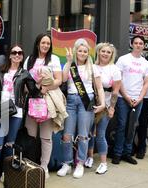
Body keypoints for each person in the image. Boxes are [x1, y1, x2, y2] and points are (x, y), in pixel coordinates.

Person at [58, 39, 105, 179]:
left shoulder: (93, 67)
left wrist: (102, 103)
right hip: (71, 101)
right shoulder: (71, 65)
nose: (82, 53)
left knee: (83, 135)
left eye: (85, 51)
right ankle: (67, 163)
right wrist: (68, 61)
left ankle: (80, 163)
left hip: (87, 100)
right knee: (67, 135)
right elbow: (63, 79)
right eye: (80, 50)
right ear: (76, 51)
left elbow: (100, 87)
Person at [23, 33, 63, 179]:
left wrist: (46, 88)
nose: (45, 45)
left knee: (46, 137)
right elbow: (25, 80)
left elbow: (59, 80)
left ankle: (44, 166)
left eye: (48, 43)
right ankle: (31, 164)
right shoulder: (29, 59)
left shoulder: (54, 59)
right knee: (31, 135)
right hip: (32, 100)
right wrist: (35, 89)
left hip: (48, 100)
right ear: (37, 44)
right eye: (43, 43)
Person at [0, 44, 25, 188]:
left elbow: (34, 91)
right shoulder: (1, 71)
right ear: (9, 55)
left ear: (22, 56)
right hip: (1, 110)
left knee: (9, 144)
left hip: (16, 111)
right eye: (13, 52)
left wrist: (42, 82)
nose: (16, 55)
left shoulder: (25, 73)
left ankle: (6, 173)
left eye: (19, 53)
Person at [112, 36, 148, 165]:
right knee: (122, 126)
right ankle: (117, 153)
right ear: (131, 44)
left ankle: (127, 153)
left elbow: (146, 83)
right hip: (123, 98)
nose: (138, 45)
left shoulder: (145, 63)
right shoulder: (123, 59)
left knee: (132, 127)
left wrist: (140, 98)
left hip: (138, 100)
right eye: (136, 43)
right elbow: (118, 80)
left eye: (141, 43)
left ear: (143, 46)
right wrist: (127, 96)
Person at [85, 43, 121, 175]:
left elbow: (116, 91)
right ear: (98, 52)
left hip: (105, 106)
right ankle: (89, 157)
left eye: (108, 52)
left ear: (112, 55)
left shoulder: (114, 69)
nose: (105, 54)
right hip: (90, 105)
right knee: (89, 133)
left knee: (100, 134)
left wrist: (112, 107)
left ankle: (103, 163)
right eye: (103, 51)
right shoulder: (92, 66)